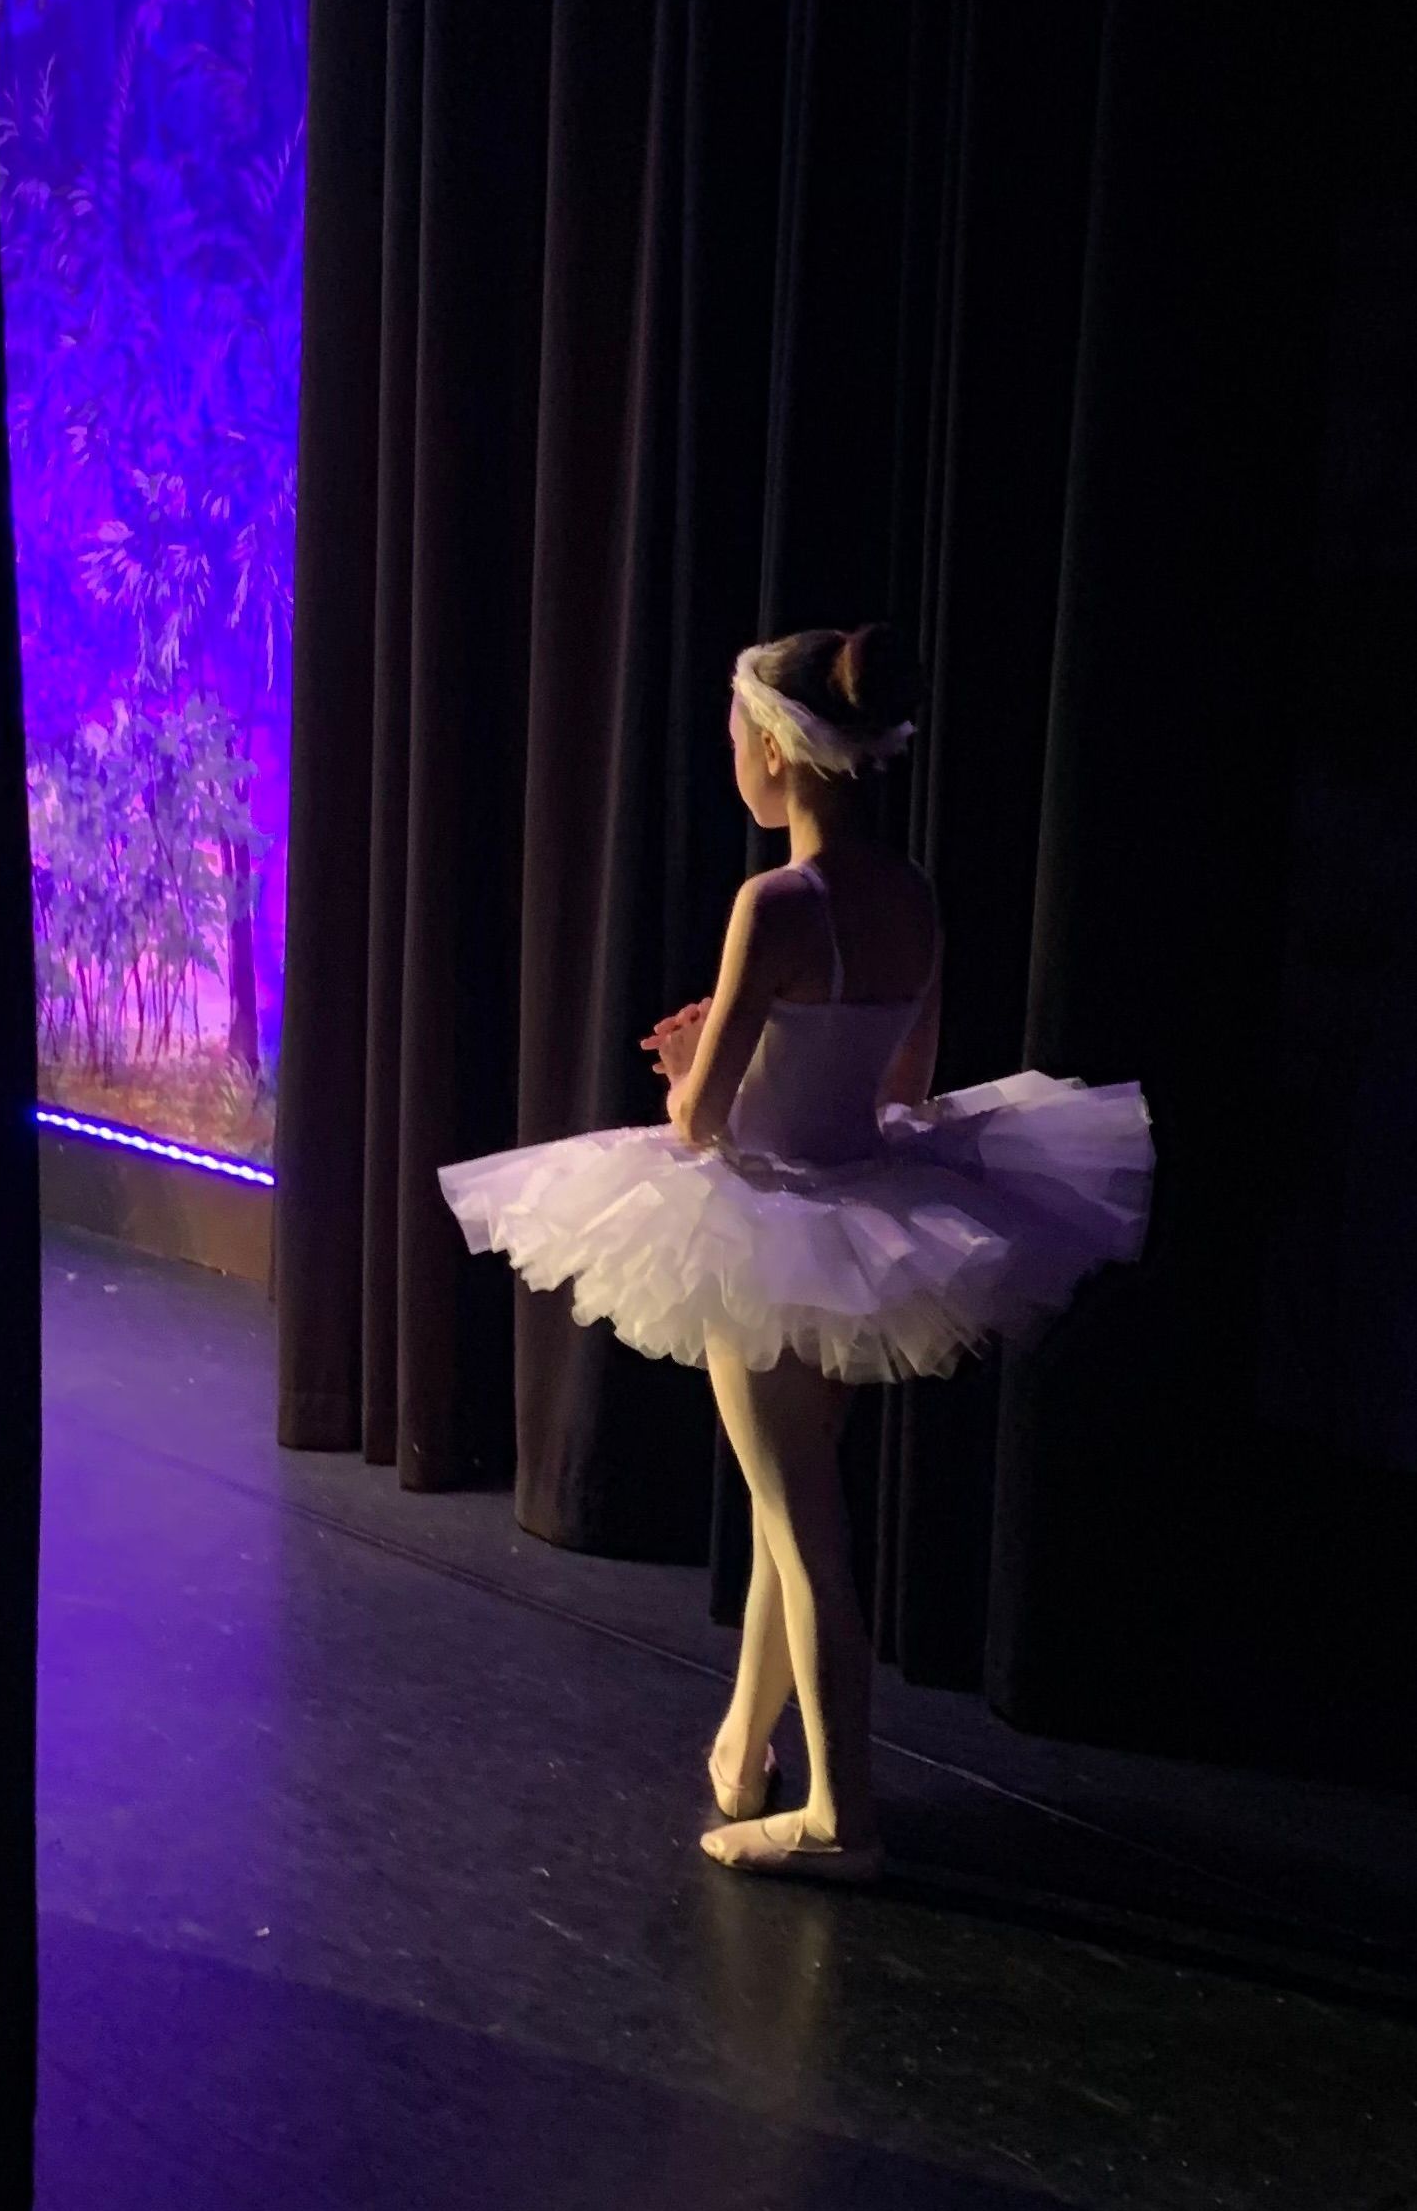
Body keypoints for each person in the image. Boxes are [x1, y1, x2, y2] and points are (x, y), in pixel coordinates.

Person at [438, 624, 1155, 1886]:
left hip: (767, 1222)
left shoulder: (772, 903)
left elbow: (702, 1122)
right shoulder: (910, 895)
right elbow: (907, 1086)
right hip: (859, 1217)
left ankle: (841, 1815)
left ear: (774, 749)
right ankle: (742, 1747)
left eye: (734, 738)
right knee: (793, 1505)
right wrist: (769, 1051)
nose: (732, 757)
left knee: (795, 1521)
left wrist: (684, 1061)